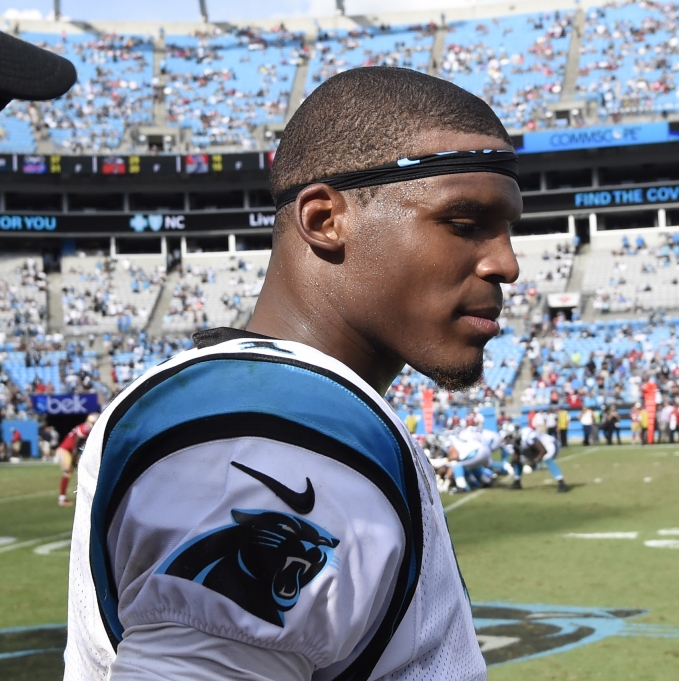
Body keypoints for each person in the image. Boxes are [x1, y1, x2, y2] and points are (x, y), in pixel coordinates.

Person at [66, 68, 522, 680]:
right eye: (464, 224)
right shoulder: (274, 430)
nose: (506, 264)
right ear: (325, 219)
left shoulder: (259, 399)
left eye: (508, 229)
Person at [508, 426, 568, 493]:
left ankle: (562, 484)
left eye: (510, 435)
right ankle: (517, 482)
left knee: (547, 458)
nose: (509, 438)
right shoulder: (516, 439)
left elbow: (543, 450)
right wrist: (512, 463)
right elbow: (517, 454)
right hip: (533, 449)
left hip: (548, 444)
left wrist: (534, 463)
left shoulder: (527, 436)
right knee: (518, 461)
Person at [56, 414, 98, 507]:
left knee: (85, 470)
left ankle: (86, 496)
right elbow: (76, 446)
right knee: (68, 470)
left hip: (73, 451)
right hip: (65, 450)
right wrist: (74, 460)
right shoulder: (85, 429)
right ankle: (62, 499)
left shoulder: (86, 427)